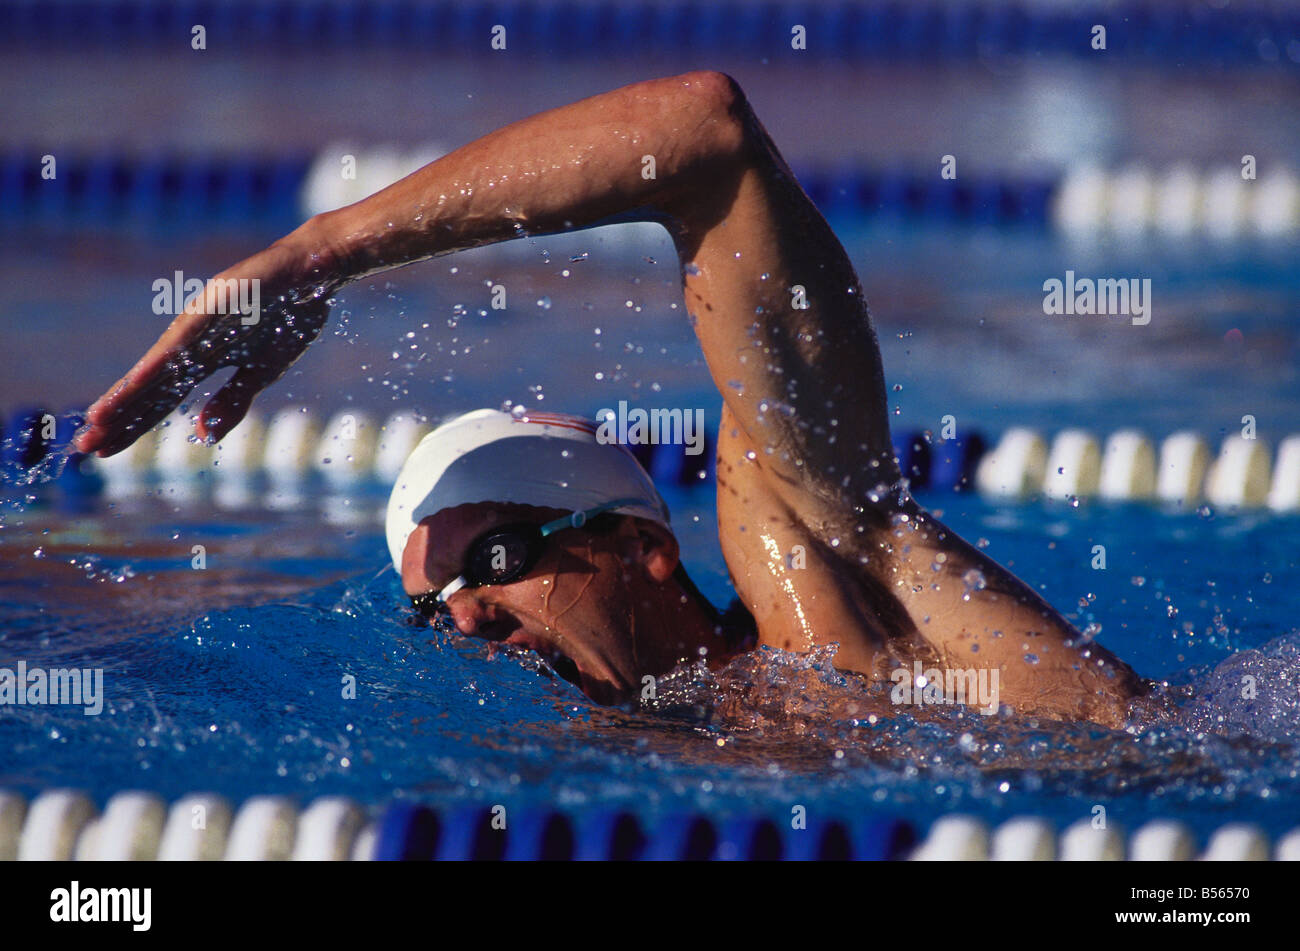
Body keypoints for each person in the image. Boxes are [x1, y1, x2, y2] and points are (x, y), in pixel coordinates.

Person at [74, 71, 1145, 726]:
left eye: (491, 562)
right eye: (428, 609)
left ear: (643, 545)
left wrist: (323, 250)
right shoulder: (608, 765)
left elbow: (702, 138)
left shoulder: (822, 578)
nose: (461, 620)